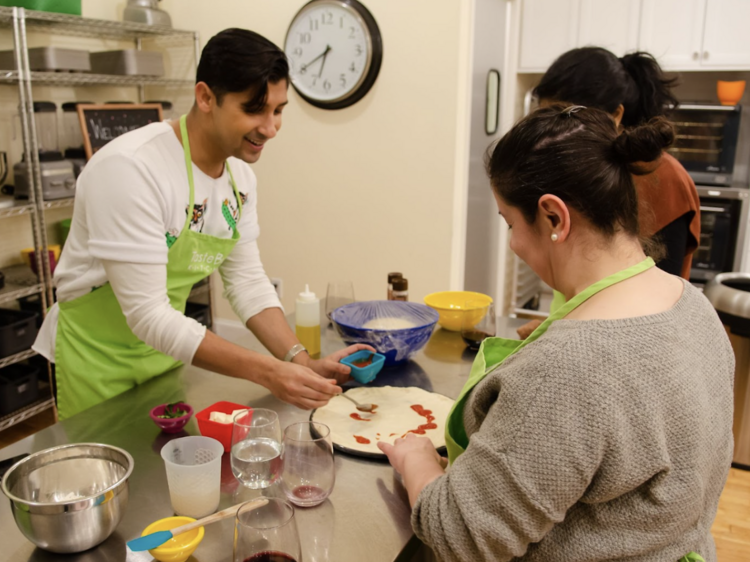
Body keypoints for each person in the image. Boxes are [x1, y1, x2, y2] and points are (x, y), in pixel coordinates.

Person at [378, 105, 733, 562]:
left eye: (510, 223)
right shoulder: (693, 306)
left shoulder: (566, 370)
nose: (512, 243)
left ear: (554, 218)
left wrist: (416, 461)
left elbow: (461, 536)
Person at [33, 28, 370, 420]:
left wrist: (297, 359)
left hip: (165, 354)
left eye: (278, 110)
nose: (271, 127)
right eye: (254, 109)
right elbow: (147, 313)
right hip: (97, 362)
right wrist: (268, 371)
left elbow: (245, 281)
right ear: (206, 97)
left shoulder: (239, 180)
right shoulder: (131, 169)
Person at [516, 47, 702, 340]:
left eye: (567, 122)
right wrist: (555, 325)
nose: (553, 137)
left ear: (616, 114)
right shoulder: (577, 169)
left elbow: (653, 301)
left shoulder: (666, 178)